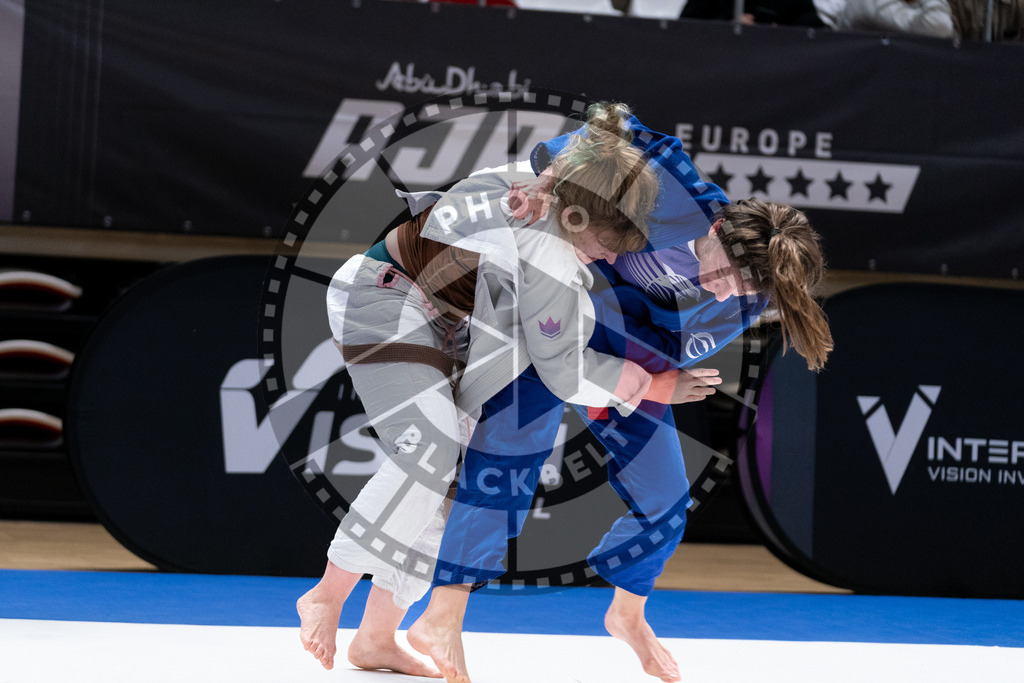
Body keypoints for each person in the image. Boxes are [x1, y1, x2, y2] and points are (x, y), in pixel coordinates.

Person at [406, 116, 834, 683]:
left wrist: (647, 384)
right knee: (512, 448)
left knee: (667, 501)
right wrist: (550, 173)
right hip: (558, 313)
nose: (725, 289)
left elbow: (666, 349)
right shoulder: (677, 188)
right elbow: (614, 131)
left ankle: (627, 614)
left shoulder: (744, 299)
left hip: (625, 353)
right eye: (726, 270)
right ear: (721, 223)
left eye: (744, 289)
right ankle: (444, 612)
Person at [296, 102, 704, 675]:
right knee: (429, 454)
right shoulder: (548, 244)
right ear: (580, 220)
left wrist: (543, 179)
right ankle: (328, 594)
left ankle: (376, 636)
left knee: (454, 482)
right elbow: (563, 368)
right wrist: (648, 381)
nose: (613, 259)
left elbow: (608, 133)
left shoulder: (550, 197)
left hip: (457, 331)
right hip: (386, 299)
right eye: (609, 244)